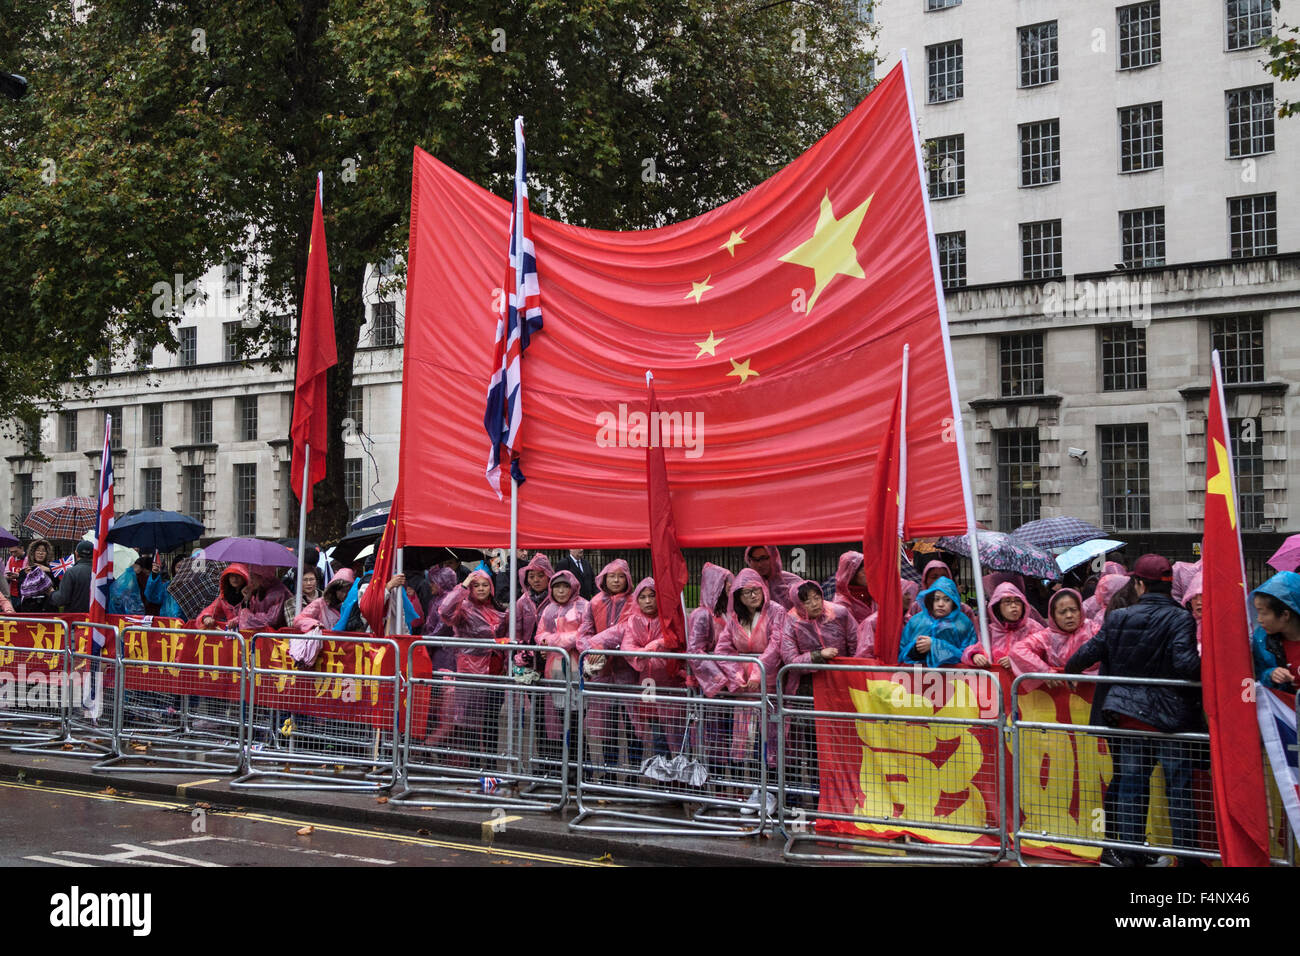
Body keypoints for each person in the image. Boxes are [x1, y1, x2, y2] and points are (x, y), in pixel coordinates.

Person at [1065, 554, 1202, 867]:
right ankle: (1189, 859)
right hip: (1171, 719)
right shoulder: (1180, 619)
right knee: (1178, 790)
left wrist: (1070, 669)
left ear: (1139, 584)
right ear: (1169, 587)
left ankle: (1130, 855)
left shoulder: (1119, 617)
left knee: (1130, 787)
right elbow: (1186, 666)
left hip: (1129, 716)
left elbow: (1090, 651)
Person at [716, 568, 785, 776]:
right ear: (738, 597)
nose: (752, 595)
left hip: (770, 682)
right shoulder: (736, 618)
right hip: (744, 687)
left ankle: (770, 789)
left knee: (769, 737)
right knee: (743, 737)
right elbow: (722, 649)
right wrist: (736, 675)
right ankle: (747, 787)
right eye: (746, 592)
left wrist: (758, 673)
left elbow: (776, 644)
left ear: (763, 590)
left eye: (755, 590)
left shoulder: (776, 611)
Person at [439, 569, 510, 760]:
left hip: (494, 671)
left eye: (485, 585)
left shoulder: (500, 610)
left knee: (490, 720)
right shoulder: (463, 609)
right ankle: (474, 763)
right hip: (470, 671)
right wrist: (462, 587)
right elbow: (444, 611)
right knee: (469, 721)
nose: (481, 589)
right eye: (476, 585)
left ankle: (490, 763)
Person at [575, 558, 639, 770]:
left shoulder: (634, 602)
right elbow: (584, 632)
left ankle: (634, 772)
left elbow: (628, 630)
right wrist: (592, 651)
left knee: (633, 723)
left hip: (628, 670)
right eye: (612, 576)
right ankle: (610, 770)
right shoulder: (594, 603)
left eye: (621, 576)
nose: (616, 580)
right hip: (602, 672)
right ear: (604, 578)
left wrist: (598, 645)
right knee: (606, 724)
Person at [619, 579, 685, 760]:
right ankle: (662, 771)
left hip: (671, 683)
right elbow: (627, 647)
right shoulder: (633, 621)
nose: (648, 601)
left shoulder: (670, 619)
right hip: (648, 684)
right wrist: (651, 648)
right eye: (643, 597)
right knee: (657, 732)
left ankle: (679, 773)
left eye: (652, 596)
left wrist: (649, 648)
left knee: (677, 730)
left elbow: (673, 640)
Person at [532, 570, 590, 755]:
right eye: (557, 587)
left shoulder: (584, 607)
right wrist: (561, 641)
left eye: (565, 586)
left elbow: (584, 634)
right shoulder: (548, 610)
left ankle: (582, 769)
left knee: (577, 723)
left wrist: (555, 640)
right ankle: (568, 769)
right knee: (562, 720)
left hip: (578, 672)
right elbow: (540, 636)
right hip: (555, 672)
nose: (562, 591)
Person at [1009, 588, 1098, 688]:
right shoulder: (1047, 636)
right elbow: (1018, 649)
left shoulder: (1094, 629)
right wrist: (1045, 671)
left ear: (1081, 611)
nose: (1069, 615)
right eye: (1062, 612)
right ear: (1053, 615)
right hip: (1057, 696)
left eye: (1073, 610)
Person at [961, 580, 1043, 673]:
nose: (1013, 606)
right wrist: (974, 656)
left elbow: (1043, 653)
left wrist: (1019, 661)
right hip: (997, 683)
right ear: (997, 606)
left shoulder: (1033, 627)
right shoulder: (990, 631)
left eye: (1017, 601)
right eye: (1007, 602)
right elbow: (972, 649)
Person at [898, 576, 978, 668]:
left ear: (954, 601)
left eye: (947, 599)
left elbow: (968, 653)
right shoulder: (916, 621)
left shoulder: (963, 623)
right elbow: (901, 652)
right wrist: (916, 649)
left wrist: (935, 646)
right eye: (936, 599)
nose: (941, 604)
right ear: (930, 600)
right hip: (917, 678)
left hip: (955, 679)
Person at [687, 563, 739, 699]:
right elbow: (694, 650)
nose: (730, 586)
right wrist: (717, 677)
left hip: (729, 677)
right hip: (710, 682)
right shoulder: (702, 614)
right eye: (726, 583)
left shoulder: (727, 613)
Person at [1250, 571, 1300, 692]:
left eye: (1264, 613)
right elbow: (1256, 675)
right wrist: (1271, 674)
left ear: (1285, 615)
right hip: (1285, 708)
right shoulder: (1262, 641)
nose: (1259, 619)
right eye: (1257, 612)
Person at [907, 559, 979, 631]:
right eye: (934, 577)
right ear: (926, 581)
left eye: (944, 576)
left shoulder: (964, 609)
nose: (940, 580)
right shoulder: (916, 608)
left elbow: (973, 636)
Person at [292, 568, 354, 633]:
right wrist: (315, 624)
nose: (345, 594)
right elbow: (298, 620)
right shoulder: (320, 603)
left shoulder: (353, 605)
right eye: (341, 591)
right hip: (325, 641)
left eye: (348, 591)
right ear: (334, 590)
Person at [742, 545, 801, 611]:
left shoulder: (791, 581)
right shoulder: (745, 584)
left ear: (773, 557)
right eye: (754, 560)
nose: (759, 565)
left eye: (764, 558)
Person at [513, 552, 555, 644]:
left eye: (541, 576)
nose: (536, 580)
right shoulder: (522, 601)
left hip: (551, 650)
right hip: (527, 652)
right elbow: (516, 631)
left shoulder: (556, 599)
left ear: (548, 576)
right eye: (531, 576)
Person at [240, 565, 292, 631]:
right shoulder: (259, 591)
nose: (251, 581)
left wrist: (246, 615)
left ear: (263, 577)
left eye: (253, 577)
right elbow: (249, 614)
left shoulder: (279, 593)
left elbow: (271, 620)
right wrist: (246, 601)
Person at [831, 550, 875, 627]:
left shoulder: (875, 593)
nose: (870, 575)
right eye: (865, 572)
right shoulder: (842, 603)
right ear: (852, 574)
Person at [199, 565, 251, 629]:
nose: (235, 579)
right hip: (231, 635)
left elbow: (254, 615)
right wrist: (206, 617)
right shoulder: (223, 597)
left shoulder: (252, 595)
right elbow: (211, 610)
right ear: (227, 578)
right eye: (232, 575)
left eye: (238, 575)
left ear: (244, 577)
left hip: (250, 634)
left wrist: (238, 620)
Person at [17, 538, 56, 612]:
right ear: (33, 552)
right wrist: (27, 577)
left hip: (47, 609)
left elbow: (58, 589)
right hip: (30, 610)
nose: (40, 553)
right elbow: (21, 592)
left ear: (47, 554)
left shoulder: (52, 571)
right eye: (37, 550)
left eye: (43, 551)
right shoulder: (24, 571)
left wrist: (49, 571)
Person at [143, 553, 187, 620]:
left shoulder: (194, 587)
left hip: (185, 627)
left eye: (185, 567)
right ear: (173, 568)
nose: (181, 570)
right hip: (167, 624)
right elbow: (152, 596)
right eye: (178, 567)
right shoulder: (168, 586)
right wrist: (154, 574)